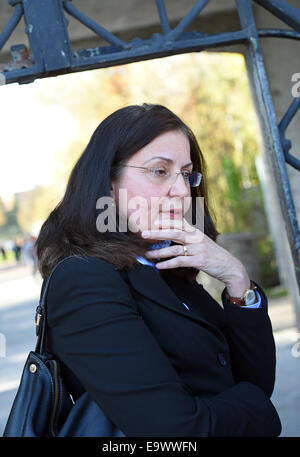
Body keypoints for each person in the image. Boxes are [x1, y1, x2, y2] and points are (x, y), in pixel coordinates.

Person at [35, 103, 281, 437]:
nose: (181, 191)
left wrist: (236, 278)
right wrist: (262, 415)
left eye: (185, 173)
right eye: (159, 171)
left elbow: (253, 380)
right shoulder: (83, 281)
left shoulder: (164, 265)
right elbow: (175, 431)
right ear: (107, 184)